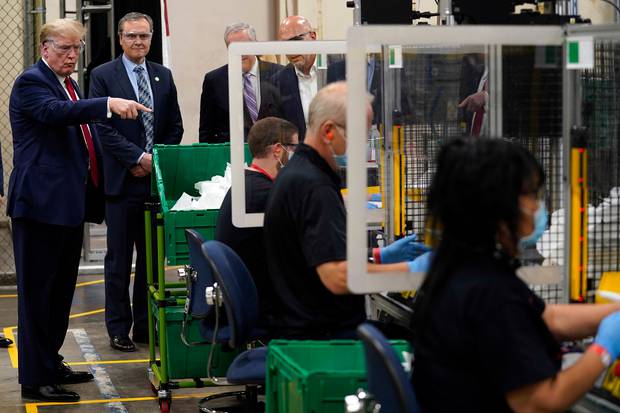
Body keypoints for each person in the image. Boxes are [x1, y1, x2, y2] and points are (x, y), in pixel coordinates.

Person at [410, 137, 620, 412]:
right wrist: (604, 350)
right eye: (531, 195)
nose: (537, 206)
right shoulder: (488, 292)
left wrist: (614, 312)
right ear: (496, 205)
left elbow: (547, 318)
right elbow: (539, 401)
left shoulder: (460, 268)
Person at [8, 18, 149, 402]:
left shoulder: (68, 84)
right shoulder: (32, 82)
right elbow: (56, 114)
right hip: (39, 207)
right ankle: (35, 379)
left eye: (76, 49)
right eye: (64, 48)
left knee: (59, 293)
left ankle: (50, 362)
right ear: (44, 48)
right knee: (38, 296)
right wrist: (107, 103)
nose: (72, 56)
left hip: (66, 208)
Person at [263, 82, 427, 340]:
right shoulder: (313, 186)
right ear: (329, 131)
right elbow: (336, 277)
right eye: (361, 134)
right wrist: (412, 272)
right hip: (323, 337)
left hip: (307, 323)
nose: (367, 143)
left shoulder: (301, 173)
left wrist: (378, 257)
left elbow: (320, 253)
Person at [89, 12, 184, 352]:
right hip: (121, 182)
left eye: (144, 36)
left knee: (151, 258)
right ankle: (118, 328)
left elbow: (175, 127)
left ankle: (145, 326)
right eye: (132, 36)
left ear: (152, 37)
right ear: (120, 38)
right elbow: (101, 128)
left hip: (153, 182)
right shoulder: (102, 76)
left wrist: (153, 160)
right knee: (118, 260)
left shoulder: (163, 76)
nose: (138, 42)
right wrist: (135, 158)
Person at [215, 117, 298, 330]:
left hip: (247, 297)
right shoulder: (265, 194)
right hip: (265, 305)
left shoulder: (247, 184)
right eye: (295, 147)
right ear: (279, 150)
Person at [198, 22, 283, 143]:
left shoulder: (279, 73)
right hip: (231, 156)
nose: (239, 53)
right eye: (233, 48)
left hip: (273, 154)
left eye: (244, 47)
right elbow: (206, 131)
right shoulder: (214, 81)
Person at [270, 15, 318, 141]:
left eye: (296, 40)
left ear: (313, 37)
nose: (291, 51)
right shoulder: (277, 82)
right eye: (285, 45)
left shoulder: (340, 71)